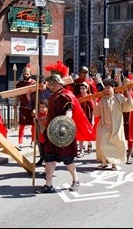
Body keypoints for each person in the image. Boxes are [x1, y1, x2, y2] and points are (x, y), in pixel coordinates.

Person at [35, 61, 94, 194]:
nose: (49, 85)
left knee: (67, 160)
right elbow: (53, 115)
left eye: (51, 82)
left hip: (63, 134)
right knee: (49, 158)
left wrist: (66, 120)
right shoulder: (52, 96)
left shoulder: (65, 95)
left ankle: (76, 180)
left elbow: (69, 110)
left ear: (56, 82)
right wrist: (42, 119)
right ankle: (48, 185)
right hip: (52, 133)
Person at [93, 78, 133, 170]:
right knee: (102, 143)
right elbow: (97, 113)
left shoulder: (118, 97)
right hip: (104, 125)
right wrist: (95, 102)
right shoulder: (103, 99)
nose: (107, 90)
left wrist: (128, 93)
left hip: (116, 126)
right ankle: (104, 162)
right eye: (105, 88)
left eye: (109, 87)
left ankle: (114, 164)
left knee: (115, 144)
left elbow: (128, 106)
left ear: (113, 88)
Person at [27, 75, 51, 166]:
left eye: (42, 86)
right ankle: (42, 156)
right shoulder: (35, 94)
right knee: (38, 139)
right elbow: (32, 105)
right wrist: (33, 109)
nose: (40, 88)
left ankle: (48, 157)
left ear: (46, 84)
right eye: (39, 86)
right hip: (38, 118)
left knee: (47, 139)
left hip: (47, 118)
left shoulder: (50, 93)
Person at [14, 64, 36, 150]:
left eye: (27, 74)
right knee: (22, 126)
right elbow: (18, 95)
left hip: (32, 107)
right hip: (23, 107)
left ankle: (33, 141)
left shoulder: (34, 83)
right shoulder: (20, 84)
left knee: (33, 126)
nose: (26, 75)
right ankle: (20, 143)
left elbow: (36, 95)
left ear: (30, 74)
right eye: (24, 73)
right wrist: (15, 103)